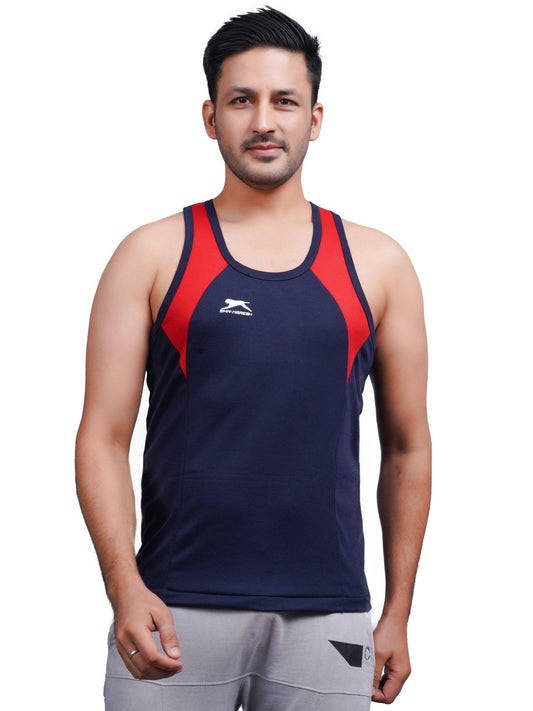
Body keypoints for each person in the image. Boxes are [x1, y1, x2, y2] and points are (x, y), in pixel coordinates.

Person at [75, 6, 431, 710]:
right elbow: (101, 436)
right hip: (171, 608)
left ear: (315, 118)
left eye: (284, 101)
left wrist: (397, 611)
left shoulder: (378, 263)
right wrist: (124, 588)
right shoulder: (151, 254)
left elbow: (408, 448)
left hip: (328, 613)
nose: (264, 121)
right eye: (242, 100)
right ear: (211, 117)